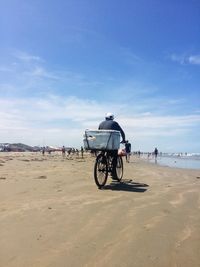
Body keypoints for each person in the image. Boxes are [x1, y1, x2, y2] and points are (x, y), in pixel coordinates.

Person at [98, 113, 126, 179]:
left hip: (102, 145)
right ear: (112, 118)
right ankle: (113, 172)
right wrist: (124, 139)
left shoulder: (101, 124)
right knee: (115, 155)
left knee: (104, 151)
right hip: (111, 145)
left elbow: (99, 133)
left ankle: (102, 160)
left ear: (105, 118)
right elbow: (122, 132)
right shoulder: (114, 123)